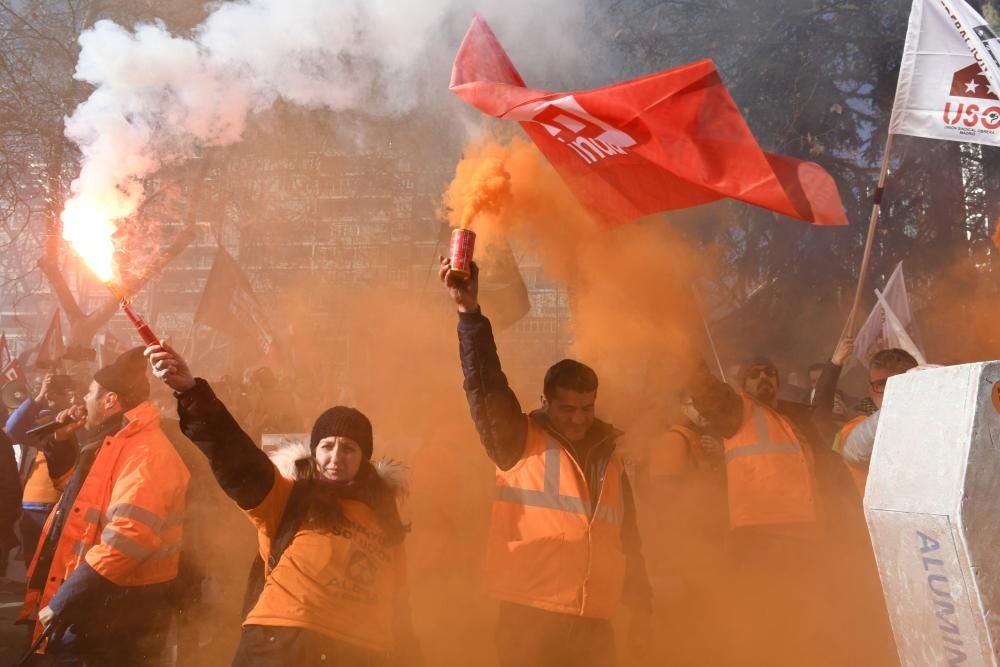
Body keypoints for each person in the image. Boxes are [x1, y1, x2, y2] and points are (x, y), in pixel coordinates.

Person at [146, 341, 418, 667]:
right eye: (327, 446)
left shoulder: (385, 517)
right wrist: (191, 392)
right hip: (282, 641)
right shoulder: (290, 496)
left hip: (359, 651)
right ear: (314, 453)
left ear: (364, 459)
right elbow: (237, 460)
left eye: (348, 449)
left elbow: (399, 603)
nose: (335, 457)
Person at [439, 258, 652, 667]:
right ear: (545, 403)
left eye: (587, 408)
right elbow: (485, 386)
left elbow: (628, 539)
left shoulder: (611, 456)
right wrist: (469, 315)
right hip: (529, 616)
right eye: (567, 408)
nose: (579, 418)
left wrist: (643, 607)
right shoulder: (517, 440)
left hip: (594, 621)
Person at [18, 347, 191, 665]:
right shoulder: (113, 442)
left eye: (89, 392)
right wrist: (62, 442)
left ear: (110, 400)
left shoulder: (145, 452)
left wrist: (70, 594)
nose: (82, 399)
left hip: (119, 610)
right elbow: (76, 500)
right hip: (99, 603)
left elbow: (130, 535)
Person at [5, 373, 79, 561]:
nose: (49, 395)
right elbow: (11, 431)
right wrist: (37, 399)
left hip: (63, 505)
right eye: (48, 391)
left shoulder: (80, 422)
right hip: (33, 504)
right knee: (33, 568)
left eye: (55, 391)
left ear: (70, 395)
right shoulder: (43, 420)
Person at [834, 347, 919, 493]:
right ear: (870, 389)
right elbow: (856, 450)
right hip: (864, 514)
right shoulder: (855, 422)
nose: (889, 391)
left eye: (898, 383)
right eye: (881, 384)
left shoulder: (932, 420)